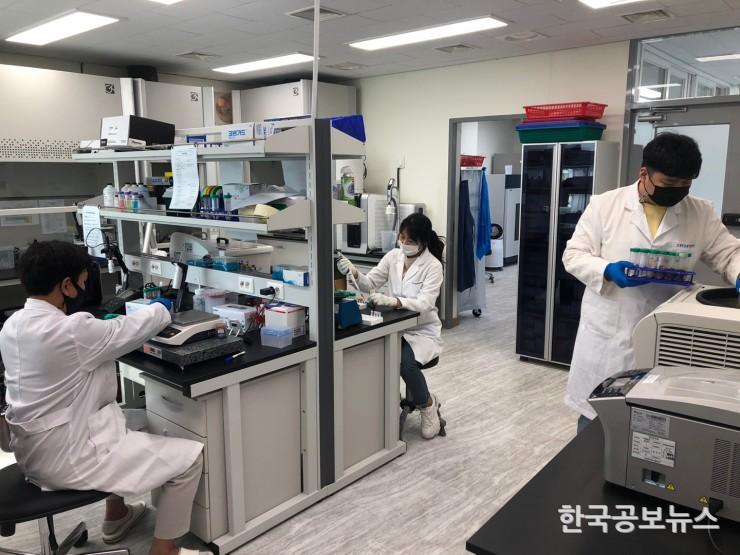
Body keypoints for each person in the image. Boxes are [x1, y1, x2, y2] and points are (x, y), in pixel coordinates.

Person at [0, 241, 207, 555]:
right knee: (189, 459)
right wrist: (162, 306)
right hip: (67, 458)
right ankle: (164, 550)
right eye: (83, 281)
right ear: (66, 285)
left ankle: (117, 515)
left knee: (139, 419)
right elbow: (125, 330)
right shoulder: (70, 331)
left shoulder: (13, 325)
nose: (85, 288)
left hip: (32, 449)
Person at [563, 133, 740, 434]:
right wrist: (607, 270)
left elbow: (729, 253)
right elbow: (573, 254)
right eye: (669, 183)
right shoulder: (606, 205)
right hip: (610, 334)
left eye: (685, 184)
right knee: (596, 423)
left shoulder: (700, 212)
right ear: (644, 173)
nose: (677, 190)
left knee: (657, 425)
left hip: (668, 336)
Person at [337, 213, 445, 439]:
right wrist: (354, 271)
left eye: (410, 240)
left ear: (422, 241)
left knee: (405, 364)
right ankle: (387, 403)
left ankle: (427, 404)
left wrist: (393, 301)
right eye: (402, 237)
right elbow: (370, 283)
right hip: (395, 326)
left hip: (422, 330)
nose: (404, 243)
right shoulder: (393, 256)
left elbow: (425, 304)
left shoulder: (433, 266)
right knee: (374, 354)